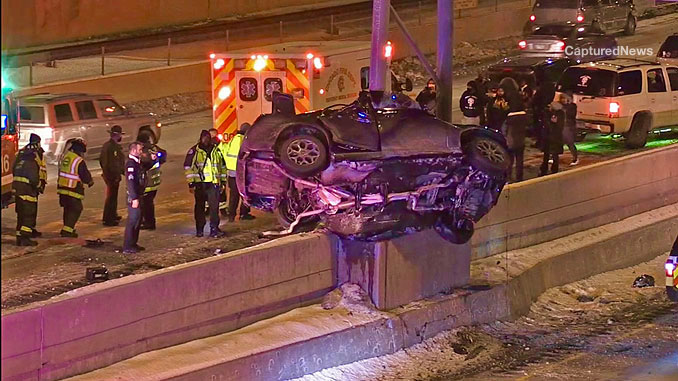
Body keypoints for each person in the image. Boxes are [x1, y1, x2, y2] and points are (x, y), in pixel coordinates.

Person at [184, 130, 227, 238]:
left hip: (213, 183)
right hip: (200, 184)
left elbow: (222, 167)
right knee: (200, 207)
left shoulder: (215, 150)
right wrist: (191, 184)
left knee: (214, 208)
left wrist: (223, 182)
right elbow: (188, 167)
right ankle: (200, 229)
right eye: (205, 138)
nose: (207, 140)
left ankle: (214, 229)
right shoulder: (194, 151)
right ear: (201, 138)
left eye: (208, 137)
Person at [12, 134, 45, 246]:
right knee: (28, 214)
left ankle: (19, 236)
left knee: (21, 215)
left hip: (19, 190)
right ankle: (25, 238)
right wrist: (39, 185)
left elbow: (14, 169)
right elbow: (34, 178)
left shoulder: (21, 157)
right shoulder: (32, 161)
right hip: (28, 191)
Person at [57, 138, 93, 237]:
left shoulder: (65, 156)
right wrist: (90, 181)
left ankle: (67, 228)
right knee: (76, 209)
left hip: (62, 188)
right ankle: (67, 230)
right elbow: (84, 174)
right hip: (72, 189)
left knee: (67, 209)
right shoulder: (78, 160)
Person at [499, 77, 528, 182]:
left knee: (509, 159)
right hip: (520, 140)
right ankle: (519, 177)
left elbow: (504, 128)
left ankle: (508, 177)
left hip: (510, 141)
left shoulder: (507, 100)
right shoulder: (520, 98)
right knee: (520, 159)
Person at [225, 123, 255, 222]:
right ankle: (244, 213)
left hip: (232, 173)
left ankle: (231, 215)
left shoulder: (233, 139)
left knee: (234, 195)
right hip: (240, 172)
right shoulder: (242, 140)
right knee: (245, 193)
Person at [138, 134, 167, 230]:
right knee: (148, 203)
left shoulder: (145, 151)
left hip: (148, 182)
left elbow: (145, 163)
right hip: (154, 181)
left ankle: (149, 223)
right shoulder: (154, 148)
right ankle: (148, 221)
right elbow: (163, 155)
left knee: (146, 204)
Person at [99, 125, 125, 226]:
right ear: (117, 135)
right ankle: (109, 219)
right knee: (111, 197)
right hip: (112, 176)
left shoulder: (108, 145)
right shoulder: (112, 147)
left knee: (113, 196)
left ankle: (113, 214)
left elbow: (103, 161)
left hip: (110, 174)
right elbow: (113, 163)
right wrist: (115, 175)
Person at [123, 142, 146, 254]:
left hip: (138, 195)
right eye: (140, 150)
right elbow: (130, 182)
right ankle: (127, 246)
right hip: (134, 197)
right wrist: (134, 198)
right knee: (133, 220)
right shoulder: (131, 164)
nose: (141, 152)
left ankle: (133, 244)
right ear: (133, 150)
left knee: (137, 220)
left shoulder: (137, 163)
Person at [540, 98, 565, 176]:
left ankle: (551, 168)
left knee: (552, 154)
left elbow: (552, 126)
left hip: (552, 138)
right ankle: (548, 168)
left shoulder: (557, 115)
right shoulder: (550, 114)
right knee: (549, 154)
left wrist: (552, 122)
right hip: (553, 137)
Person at [209, 128, 230, 217]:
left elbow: (223, 164)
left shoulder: (221, 146)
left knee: (221, 194)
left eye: (215, 135)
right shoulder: (203, 148)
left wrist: (223, 179)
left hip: (218, 176)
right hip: (208, 178)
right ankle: (207, 209)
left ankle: (222, 209)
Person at [531, 81, 556, 148]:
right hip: (545, 109)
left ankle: (541, 143)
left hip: (540, 110)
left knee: (541, 127)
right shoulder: (551, 89)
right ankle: (544, 143)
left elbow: (535, 100)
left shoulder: (541, 89)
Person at [561, 92, 579, 166]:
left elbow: (571, 115)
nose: (563, 100)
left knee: (570, 143)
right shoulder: (560, 105)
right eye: (562, 98)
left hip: (569, 127)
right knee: (558, 142)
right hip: (561, 126)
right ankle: (554, 157)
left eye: (564, 98)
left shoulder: (572, 106)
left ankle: (575, 158)